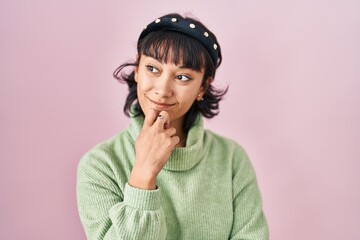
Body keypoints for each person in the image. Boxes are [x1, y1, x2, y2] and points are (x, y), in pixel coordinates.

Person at [76, 13, 269, 240]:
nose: (163, 89)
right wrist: (143, 174)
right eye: (153, 69)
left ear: (203, 87)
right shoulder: (100, 164)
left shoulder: (232, 159)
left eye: (183, 77)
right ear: (137, 69)